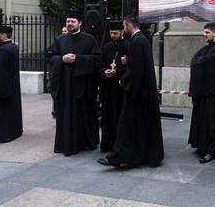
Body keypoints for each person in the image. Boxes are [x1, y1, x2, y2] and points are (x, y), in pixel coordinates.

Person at [98, 16, 164, 168]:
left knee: (125, 126)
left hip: (136, 93)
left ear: (127, 26)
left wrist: (124, 82)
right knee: (137, 126)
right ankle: (141, 156)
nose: (124, 29)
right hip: (143, 92)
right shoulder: (142, 40)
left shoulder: (136, 42)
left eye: (123, 26)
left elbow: (137, 71)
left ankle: (117, 157)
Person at [49, 10, 100, 156]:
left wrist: (78, 59)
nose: (70, 24)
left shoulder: (89, 39)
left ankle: (85, 142)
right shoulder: (60, 40)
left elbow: (96, 60)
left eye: (73, 21)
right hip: (65, 87)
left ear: (80, 23)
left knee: (83, 116)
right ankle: (65, 144)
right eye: (68, 21)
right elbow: (51, 57)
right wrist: (62, 59)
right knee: (65, 116)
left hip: (82, 86)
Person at [188, 22, 215, 163]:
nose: (204, 35)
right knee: (204, 121)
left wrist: (197, 63)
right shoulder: (207, 49)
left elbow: (200, 63)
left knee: (214, 123)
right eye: (204, 32)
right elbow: (195, 61)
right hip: (205, 93)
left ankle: (212, 150)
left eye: (207, 33)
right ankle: (203, 146)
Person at [98, 20, 130, 153]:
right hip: (108, 89)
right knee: (107, 117)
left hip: (121, 89)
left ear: (122, 32)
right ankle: (107, 145)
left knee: (120, 117)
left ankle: (120, 146)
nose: (113, 35)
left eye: (115, 33)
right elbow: (99, 65)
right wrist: (104, 72)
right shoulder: (106, 47)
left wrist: (118, 72)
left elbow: (131, 68)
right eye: (111, 33)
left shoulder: (128, 46)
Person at [0, 25, 23, 143]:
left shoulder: (4, 49)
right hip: (11, 85)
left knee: (0, 112)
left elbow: (0, 71)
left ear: (3, 35)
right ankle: (14, 132)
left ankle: (2, 134)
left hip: (2, 88)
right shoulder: (13, 47)